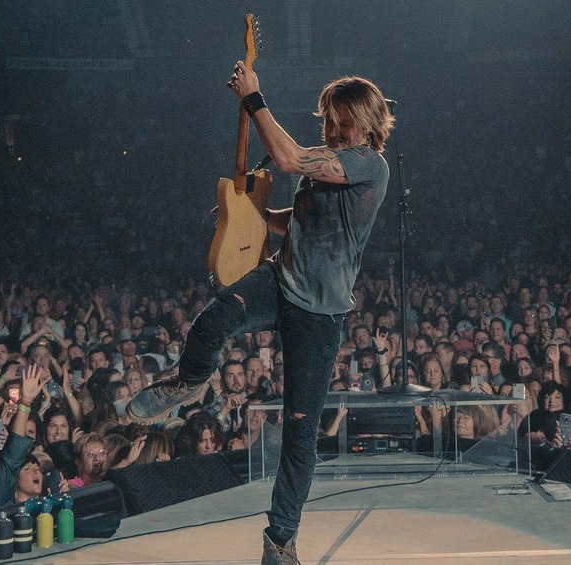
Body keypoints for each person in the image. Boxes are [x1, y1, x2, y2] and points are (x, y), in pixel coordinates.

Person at [126, 62, 393, 564]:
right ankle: (187, 381)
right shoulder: (326, 164)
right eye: (329, 121)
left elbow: (288, 159)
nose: (334, 131)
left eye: (344, 123)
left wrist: (254, 99)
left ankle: (281, 541)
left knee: (299, 432)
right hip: (279, 279)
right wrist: (254, 216)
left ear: (368, 125)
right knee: (215, 317)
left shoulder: (369, 165)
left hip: (319, 314)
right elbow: (301, 220)